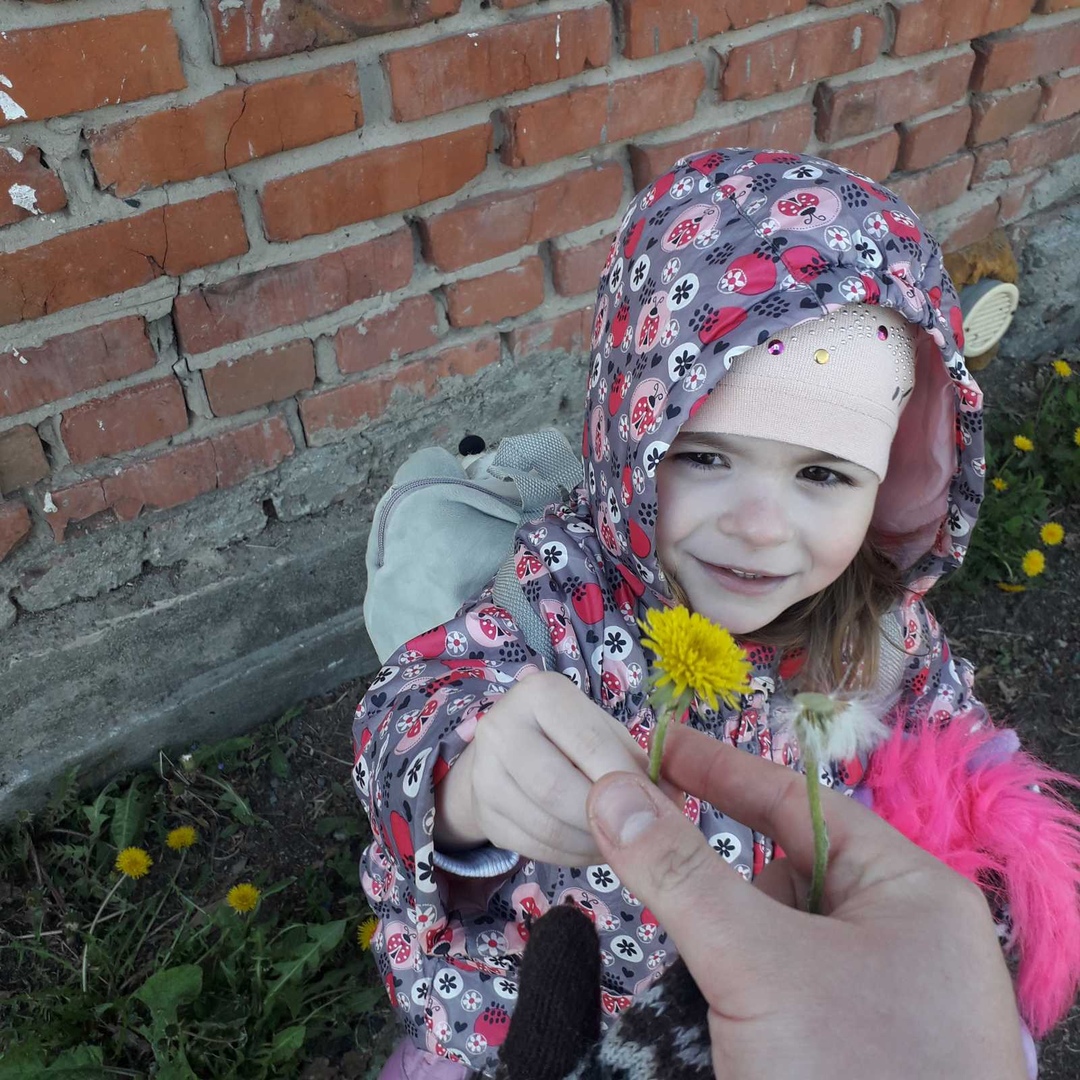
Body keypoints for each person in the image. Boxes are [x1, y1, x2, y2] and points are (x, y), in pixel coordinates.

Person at [351, 148, 1079, 1079]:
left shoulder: (878, 632)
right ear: (631, 430)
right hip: (534, 1023)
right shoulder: (563, 591)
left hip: (772, 1034)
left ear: (887, 483)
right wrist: (468, 785)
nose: (761, 527)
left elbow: (965, 777)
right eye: (703, 456)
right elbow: (410, 706)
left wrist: (986, 893)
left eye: (823, 475)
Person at [494, 722, 1030, 1080]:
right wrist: (466, 808)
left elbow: (982, 801)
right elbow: (452, 704)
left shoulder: (899, 659)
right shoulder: (551, 611)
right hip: (501, 990)